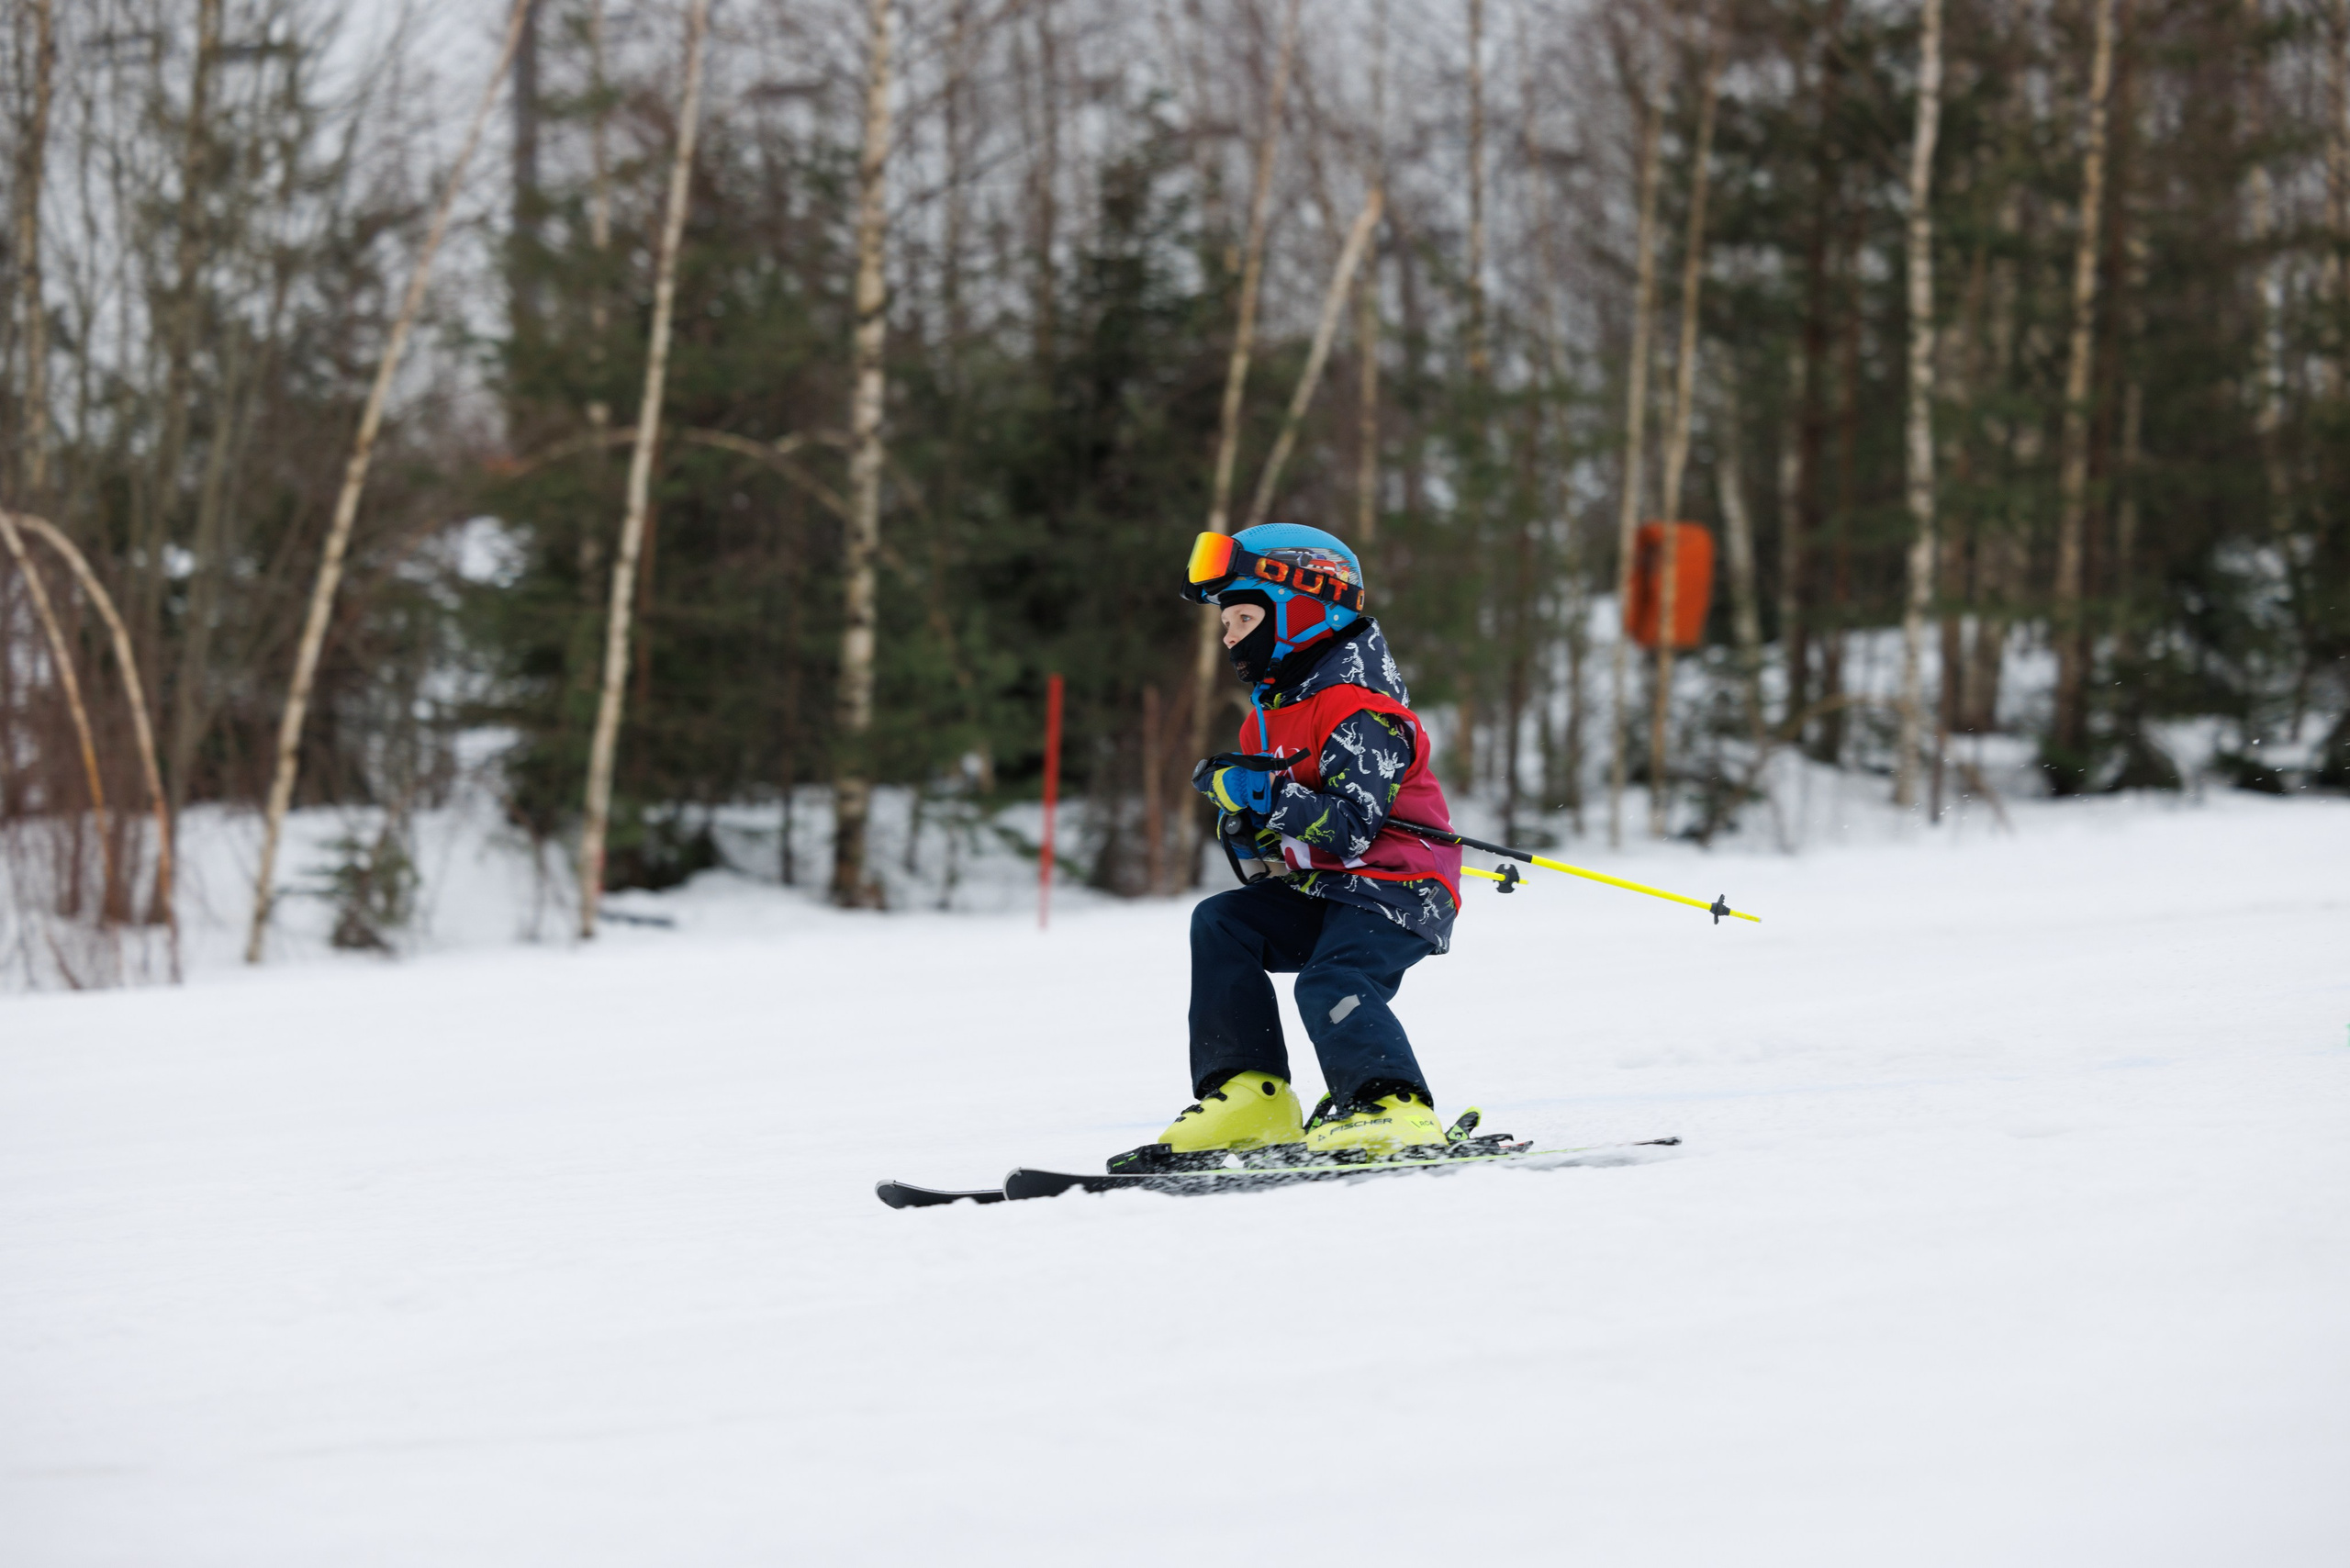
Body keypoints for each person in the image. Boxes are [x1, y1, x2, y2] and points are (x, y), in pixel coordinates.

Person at [1113, 523, 1463, 1174]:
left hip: (1400, 889)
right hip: (1328, 890)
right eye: (1225, 623)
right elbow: (1288, 832)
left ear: (1304, 608)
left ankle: (1392, 1106)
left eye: (1243, 616)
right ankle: (1252, 1095)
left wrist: (1267, 797)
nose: (1228, 636)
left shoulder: (1362, 712)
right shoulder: (1267, 716)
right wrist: (1246, 822)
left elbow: (1355, 829)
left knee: (1331, 978)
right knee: (1222, 924)